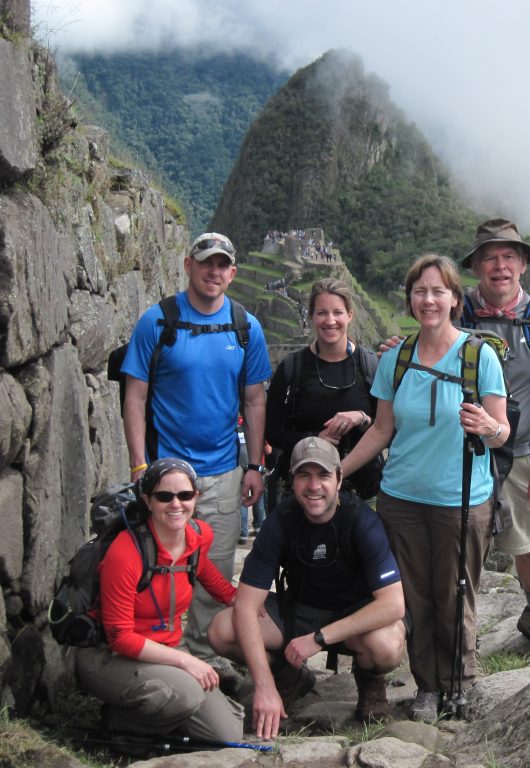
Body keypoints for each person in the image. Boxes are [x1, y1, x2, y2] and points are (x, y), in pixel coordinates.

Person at [342, 253, 509, 722]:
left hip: (461, 500)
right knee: (413, 599)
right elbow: (380, 430)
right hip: (401, 500)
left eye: (439, 291)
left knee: (455, 595)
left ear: (455, 299)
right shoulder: (396, 360)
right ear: (410, 300)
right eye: (420, 291)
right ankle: (428, 688)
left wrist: (486, 427)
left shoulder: (480, 357)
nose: (429, 299)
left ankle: (461, 682)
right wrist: (340, 469)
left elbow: (503, 432)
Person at [120, 232, 272, 673]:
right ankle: (161, 656)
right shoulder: (159, 320)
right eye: (207, 263)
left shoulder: (246, 327)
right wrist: (138, 464)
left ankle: (204, 662)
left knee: (215, 572)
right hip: (167, 474)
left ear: (233, 273)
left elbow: (255, 399)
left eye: (223, 265)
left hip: (223, 472)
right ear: (189, 265)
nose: (214, 272)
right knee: (158, 568)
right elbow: (135, 395)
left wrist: (255, 467)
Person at [209, 437, 406, 739]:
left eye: (323, 475)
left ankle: (370, 683)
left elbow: (393, 605)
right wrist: (263, 687)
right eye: (304, 475)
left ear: (339, 479)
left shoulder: (361, 520)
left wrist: (319, 639)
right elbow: (247, 604)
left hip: (354, 620)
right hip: (298, 613)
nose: (314, 486)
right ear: (292, 480)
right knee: (222, 629)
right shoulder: (282, 520)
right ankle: (286, 676)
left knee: (387, 645)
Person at [460, 219, 530, 657]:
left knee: (528, 544)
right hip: (462, 449)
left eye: (509, 256)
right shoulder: (457, 313)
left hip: (518, 452)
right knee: (459, 544)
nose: (500, 266)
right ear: (477, 267)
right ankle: (458, 628)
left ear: (523, 264)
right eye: (490, 257)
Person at [76, 459, 243, 741]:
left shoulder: (198, 537)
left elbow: (211, 579)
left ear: (196, 497)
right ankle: (120, 723)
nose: (176, 504)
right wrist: (185, 661)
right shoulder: (125, 553)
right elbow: (120, 638)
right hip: (111, 655)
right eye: (164, 496)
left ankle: (162, 716)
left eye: (185, 495)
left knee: (226, 736)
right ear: (148, 500)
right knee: (186, 696)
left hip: (166, 649)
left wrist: (247, 604)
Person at [265, 279, 381, 499]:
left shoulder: (370, 366)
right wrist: (314, 439)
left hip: (363, 491)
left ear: (350, 315)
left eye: (337, 312)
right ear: (311, 317)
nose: (330, 321)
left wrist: (362, 418)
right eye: (321, 313)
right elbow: (273, 431)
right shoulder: (291, 369)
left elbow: (387, 430)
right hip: (308, 493)